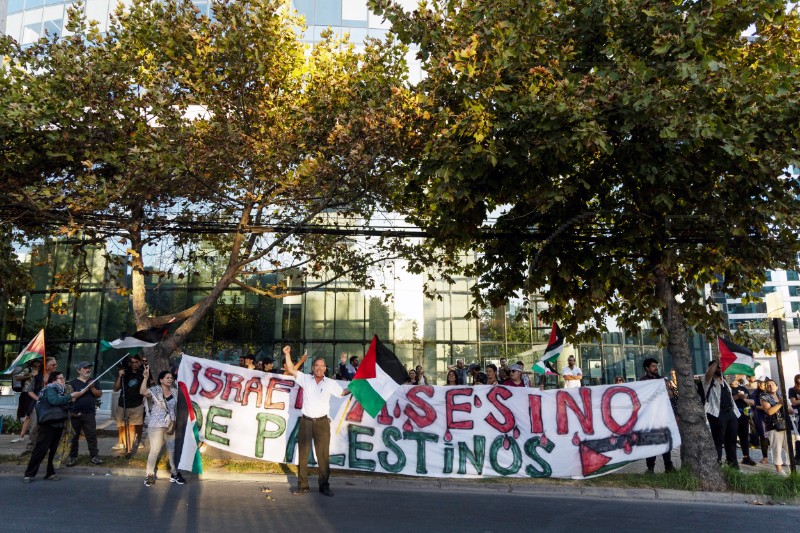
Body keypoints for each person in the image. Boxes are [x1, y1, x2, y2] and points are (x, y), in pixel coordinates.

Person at [283, 346, 350, 497]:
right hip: (306, 421)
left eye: (322, 366)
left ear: (325, 368)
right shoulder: (306, 379)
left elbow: (342, 393)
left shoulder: (330, 383)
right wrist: (287, 353)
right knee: (303, 455)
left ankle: (324, 486)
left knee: (323, 456)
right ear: (313, 368)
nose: (319, 368)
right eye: (317, 365)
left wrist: (354, 388)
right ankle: (302, 486)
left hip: (322, 423)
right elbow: (292, 370)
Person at [23, 372, 90, 482]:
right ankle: (29, 474)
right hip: (48, 424)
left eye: (63, 378)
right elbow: (54, 401)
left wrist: (72, 400)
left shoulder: (61, 391)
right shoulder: (50, 388)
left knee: (54, 450)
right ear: (53, 380)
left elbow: (67, 407)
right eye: (60, 378)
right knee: (41, 449)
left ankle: (50, 473)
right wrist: (71, 396)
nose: (63, 380)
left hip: (59, 423)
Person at [140, 366, 185, 486]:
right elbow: (143, 392)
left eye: (171, 378)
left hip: (170, 425)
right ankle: (149, 475)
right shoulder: (155, 390)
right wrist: (145, 378)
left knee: (173, 450)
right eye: (167, 377)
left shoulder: (175, 392)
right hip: (156, 425)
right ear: (161, 380)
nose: (170, 379)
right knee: (154, 450)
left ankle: (175, 474)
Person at [639, 358, 675, 473]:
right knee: (651, 442)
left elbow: (670, 395)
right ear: (647, 368)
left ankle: (668, 466)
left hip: (662, 415)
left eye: (656, 366)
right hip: (650, 417)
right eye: (653, 366)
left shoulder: (661, 380)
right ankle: (650, 468)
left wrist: (666, 387)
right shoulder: (643, 381)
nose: (656, 368)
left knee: (666, 440)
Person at [65, 361, 103, 467]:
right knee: (74, 436)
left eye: (89, 367)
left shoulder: (93, 381)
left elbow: (99, 394)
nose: (88, 369)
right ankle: (73, 457)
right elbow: (71, 398)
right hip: (75, 414)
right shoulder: (72, 383)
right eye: (85, 368)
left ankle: (94, 456)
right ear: (79, 370)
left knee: (91, 436)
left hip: (89, 413)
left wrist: (91, 387)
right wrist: (85, 390)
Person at [703, 360, 740, 468]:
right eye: (717, 367)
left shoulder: (724, 381)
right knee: (718, 440)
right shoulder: (708, 380)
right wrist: (717, 360)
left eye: (720, 366)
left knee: (732, 440)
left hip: (730, 412)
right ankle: (717, 463)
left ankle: (733, 464)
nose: (720, 368)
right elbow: (708, 374)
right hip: (716, 413)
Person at [760, 378, 795, 476]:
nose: (770, 386)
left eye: (772, 384)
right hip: (773, 426)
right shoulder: (764, 397)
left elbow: (791, 410)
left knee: (790, 448)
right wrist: (780, 404)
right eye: (768, 385)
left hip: (786, 425)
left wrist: (785, 405)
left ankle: (791, 469)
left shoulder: (781, 396)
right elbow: (770, 411)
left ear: (777, 387)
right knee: (776, 448)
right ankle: (779, 471)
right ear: (766, 388)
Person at [24, 357, 58, 455]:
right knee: (34, 427)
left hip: (52, 405)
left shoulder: (57, 376)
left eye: (56, 364)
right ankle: (30, 449)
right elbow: (29, 391)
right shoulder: (36, 376)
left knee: (49, 428)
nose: (55, 366)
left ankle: (47, 448)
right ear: (46, 367)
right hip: (38, 406)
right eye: (53, 365)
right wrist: (39, 399)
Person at [113, 354, 146, 453]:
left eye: (136, 362)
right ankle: (123, 444)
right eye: (132, 362)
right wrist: (120, 376)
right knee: (122, 425)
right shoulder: (125, 373)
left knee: (134, 426)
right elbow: (116, 388)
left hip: (137, 404)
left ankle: (132, 446)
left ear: (140, 362)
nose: (134, 364)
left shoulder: (143, 373)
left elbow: (147, 388)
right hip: (123, 404)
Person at [11, 359, 42, 443]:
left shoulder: (42, 371)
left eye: (39, 362)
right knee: (27, 414)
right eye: (36, 362)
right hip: (27, 393)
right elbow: (18, 377)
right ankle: (22, 435)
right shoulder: (28, 369)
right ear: (32, 362)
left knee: (31, 415)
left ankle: (24, 435)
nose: (37, 363)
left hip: (37, 393)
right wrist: (30, 375)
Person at [730, 375, 757, 466]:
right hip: (732, 415)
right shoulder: (727, 388)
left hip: (744, 415)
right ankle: (730, 459)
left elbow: (752, 402)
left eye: (734, 376)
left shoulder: (743, 388)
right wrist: (737, 396)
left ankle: (746, 457)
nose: (732, 377)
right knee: (731, 437)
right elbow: (727, 400)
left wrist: (744, 398)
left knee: (744, 436)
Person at [751, 377, 770, 464]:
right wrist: (766, 408)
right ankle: (765, 457)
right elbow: (754, 405)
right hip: (760, 416)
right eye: (762, 383)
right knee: (764, 435)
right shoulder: (756, 393)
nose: (764, 385)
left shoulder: (770, 391)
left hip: (771, 415)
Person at [788, 374, 800, 465]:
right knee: (798, 436)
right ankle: (798, 457)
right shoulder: (792, 390)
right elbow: (794, 402)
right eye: (798, 381)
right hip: (798, 414)